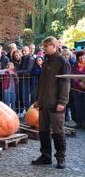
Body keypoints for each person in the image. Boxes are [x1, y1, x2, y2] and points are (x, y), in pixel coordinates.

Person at [32, 36, 70, 169]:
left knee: (58, 132)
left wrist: (62, 102)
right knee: (43, 131)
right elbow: (42, 83)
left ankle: (60, 158)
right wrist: (38, 99)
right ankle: (45, 156)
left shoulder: (62, 62)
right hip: (44, 103)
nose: (44, 49)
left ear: (53, 46)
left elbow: (65, 83)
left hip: (56, 104)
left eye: (46, 46)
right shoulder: (46, 61)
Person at [71, 50, 85, 128]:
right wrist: (79, 83)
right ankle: (79, 122)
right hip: (76, 90)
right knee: (77, 106)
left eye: (83, 55)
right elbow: (73, 76)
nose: (82, 57)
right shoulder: (74, 65)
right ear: (77, 57)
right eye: (80, 56)